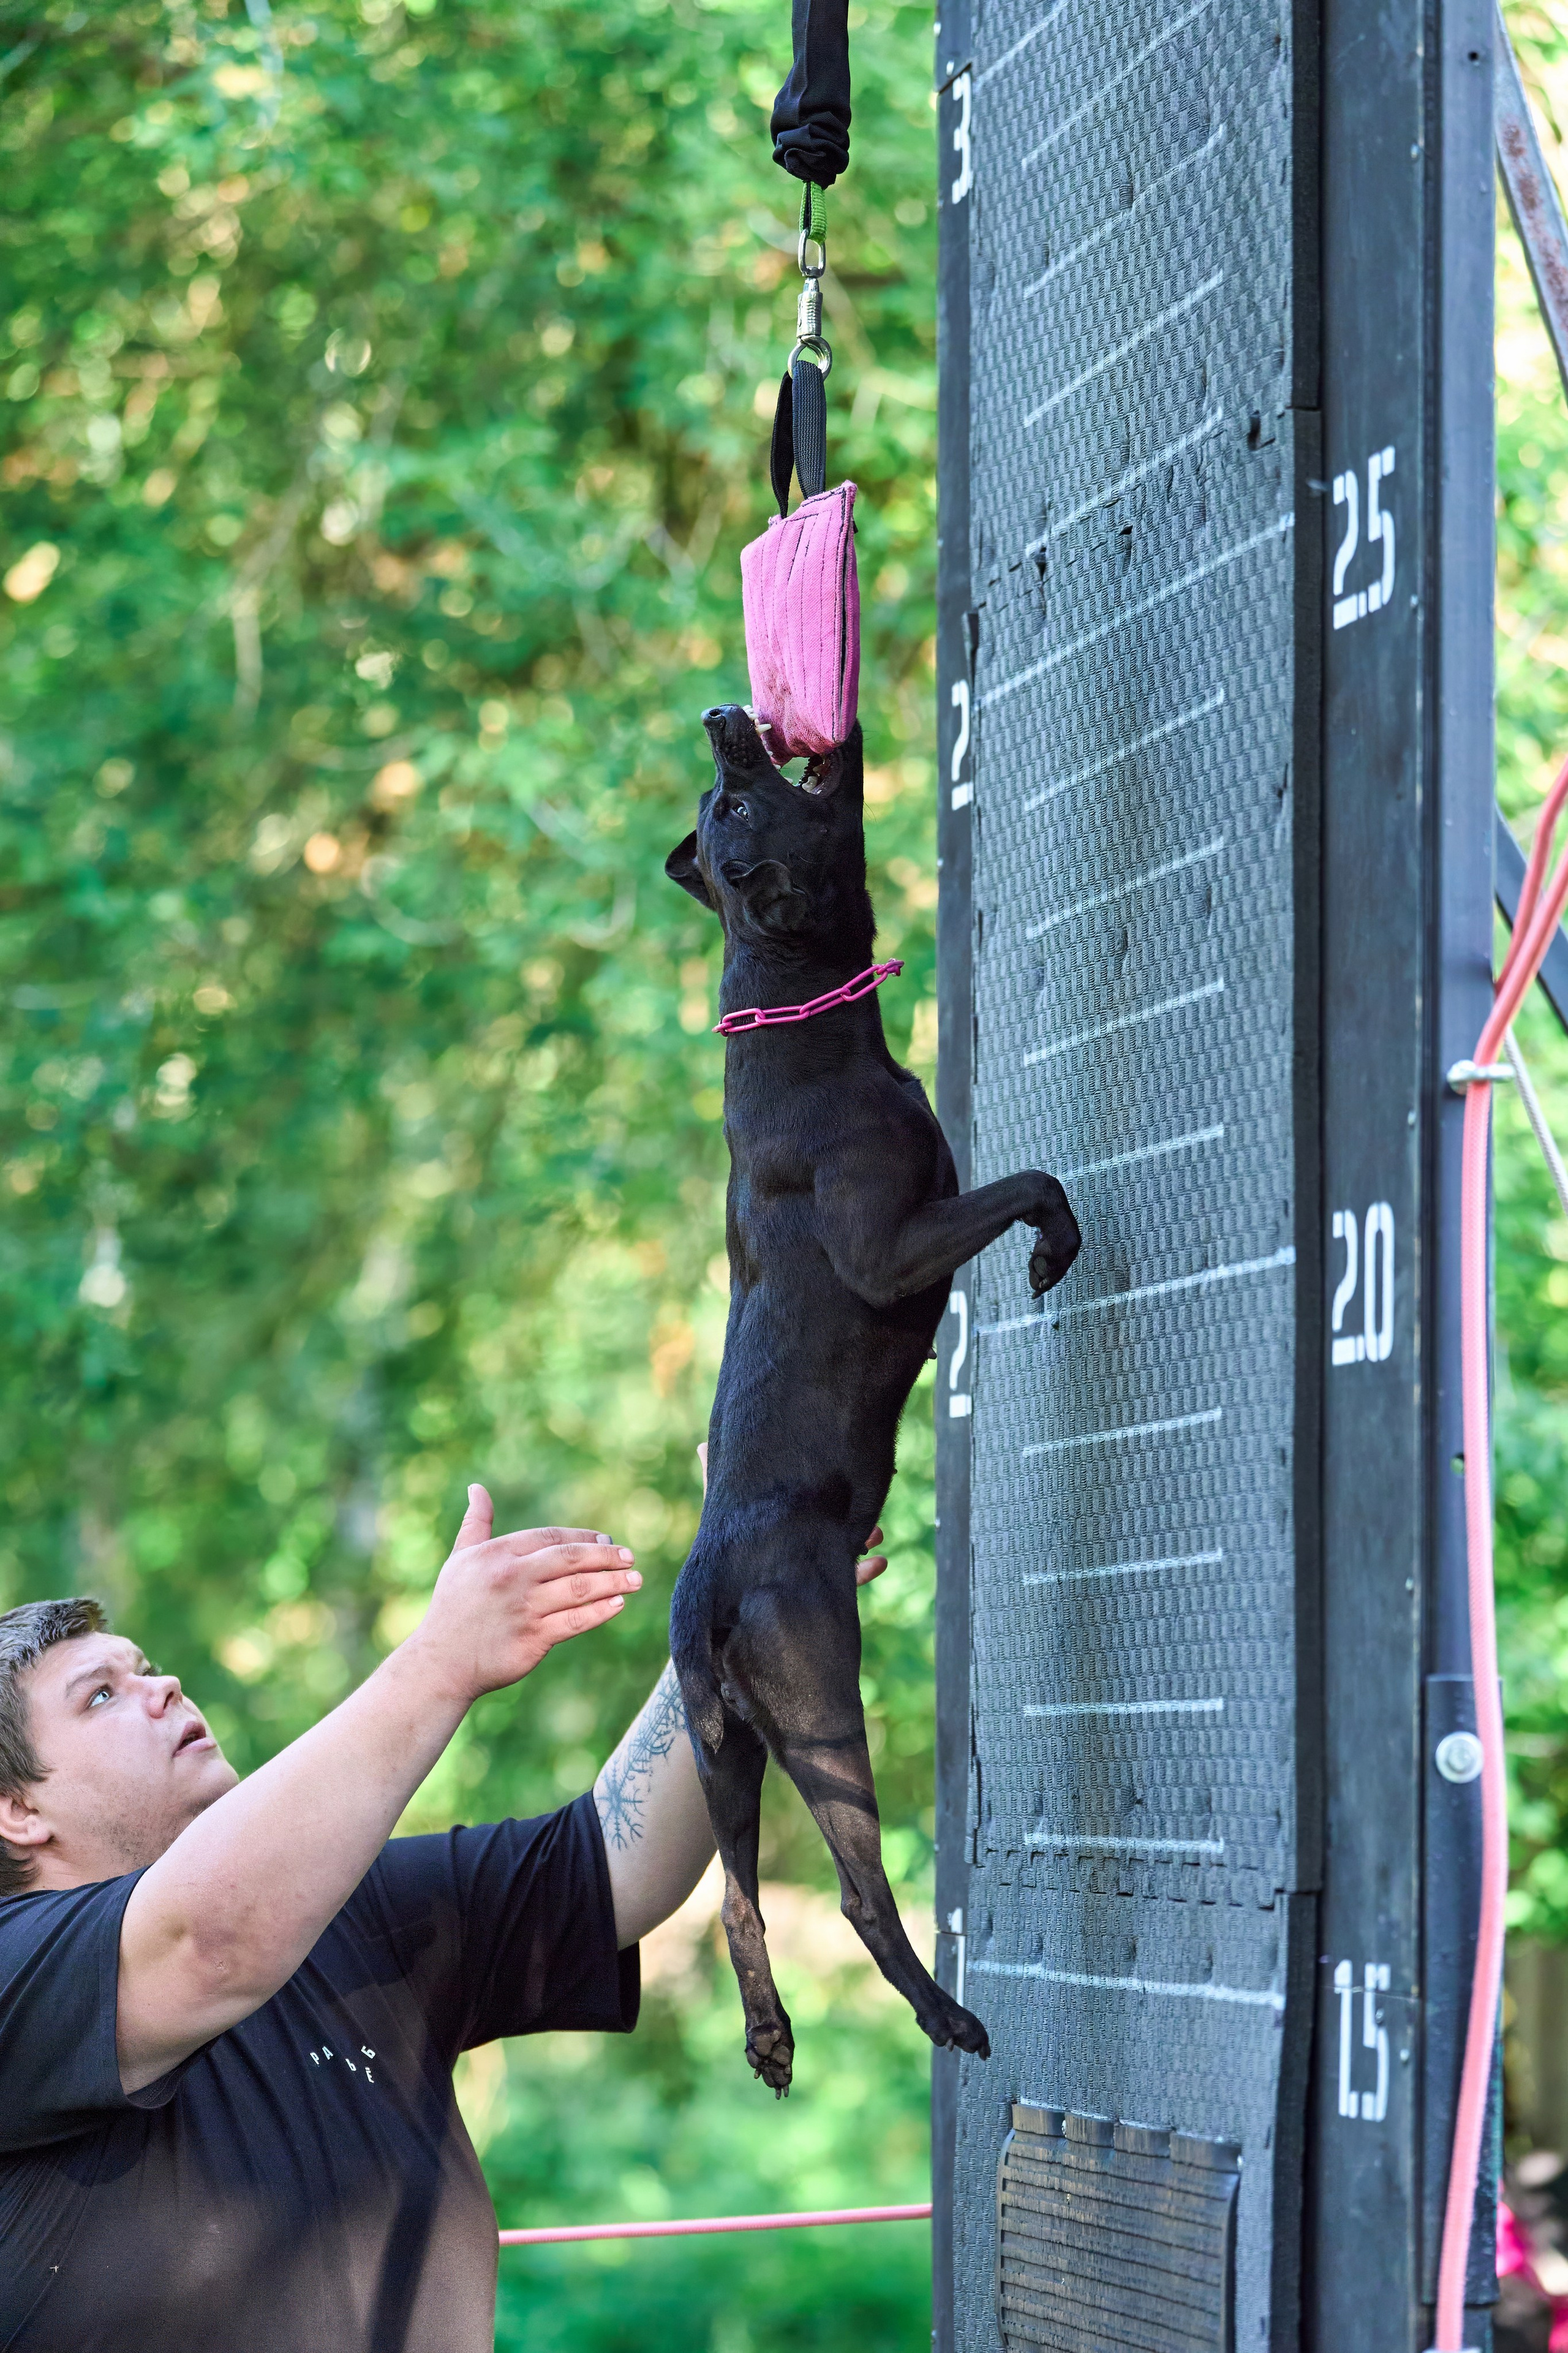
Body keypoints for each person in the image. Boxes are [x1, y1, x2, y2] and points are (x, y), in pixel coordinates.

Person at [0, 1483, 715, 2353]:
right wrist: (439, 1661)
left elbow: (621, 1861)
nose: (163, 1686)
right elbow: (207, 1940)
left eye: (145, 1666)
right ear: (16, 1810)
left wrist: (735, 1588)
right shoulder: (16, 1974)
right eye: (101, 1695)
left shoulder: (345, 1909)